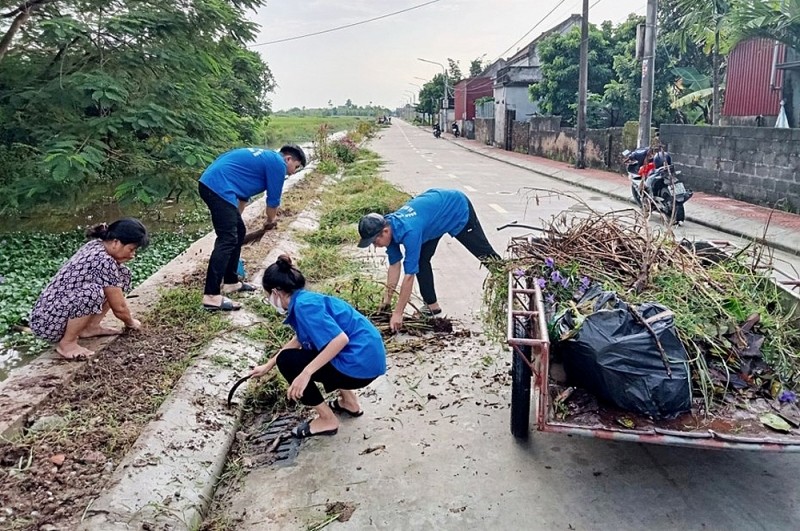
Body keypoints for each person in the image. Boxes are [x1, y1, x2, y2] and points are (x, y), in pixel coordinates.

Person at [249, 255, 386, 439]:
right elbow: (299, 339)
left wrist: (305, 374)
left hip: (358, 366)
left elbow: (339, 340)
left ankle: (327, 419)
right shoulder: (305, 300)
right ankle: (349, 402)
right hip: (367, 360)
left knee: (288, 361)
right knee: (314, 347)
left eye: (268, 296)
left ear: (276, 292)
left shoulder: (304, 307)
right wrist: (267, 365)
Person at [357, 188, 501, 332]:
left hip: (455, 208)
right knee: (421, 260)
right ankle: (432, 305)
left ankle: (509, 279)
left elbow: (409, 276)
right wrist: (386, 302)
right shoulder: (390, 228)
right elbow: (394, 266)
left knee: (484, 253)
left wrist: (398, 313)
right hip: (433, 217)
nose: (375, 246)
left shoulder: (409, 232)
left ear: (385, 231)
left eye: (375, 241)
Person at [199, 145, 307, 312]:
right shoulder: (278, 164)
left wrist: (236, 221)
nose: (293, 172)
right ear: (288, 159)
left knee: (239, 232)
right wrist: (271, 221)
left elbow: (242, 199)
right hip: (217, 186)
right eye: (296, 166)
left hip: (215, 184)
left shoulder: (266, 160)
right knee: (227, 239)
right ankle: (211, 296)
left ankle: (231, 282)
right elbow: (272, 202)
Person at [29, 218, 149, 361]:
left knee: (123, 274)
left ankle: (90, 327)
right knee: (92, 293)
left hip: (58, 311)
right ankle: (67, 343)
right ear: (116, 242)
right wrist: (131, 323)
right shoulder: (103, 261)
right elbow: (119, 307)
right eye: (131, 249)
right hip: (48, 323)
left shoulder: (97, 245)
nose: (132, 255)